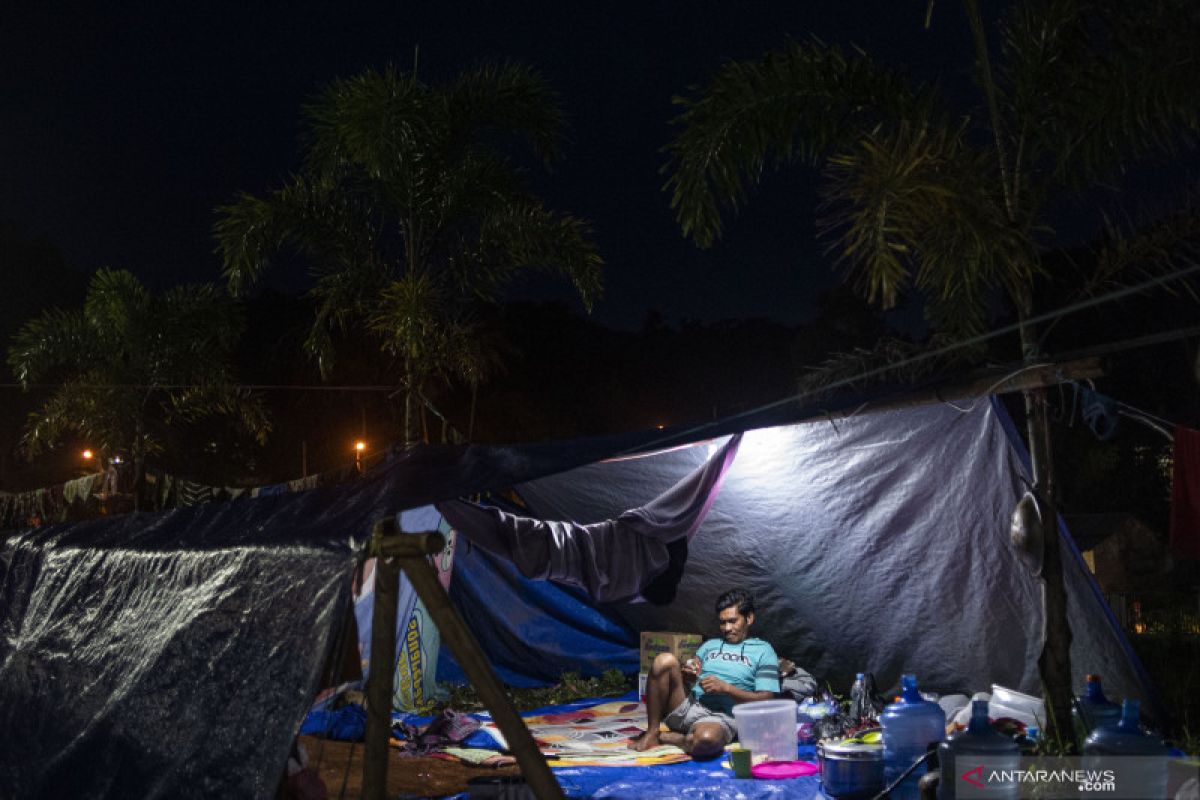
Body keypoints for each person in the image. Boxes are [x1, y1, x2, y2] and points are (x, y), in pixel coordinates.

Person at [629, 588, 780, 759]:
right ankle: (652, 731)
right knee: (664, 660)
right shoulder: (710, 645)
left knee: (705, 741)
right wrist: (689, 675)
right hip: (690, 705)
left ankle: (667, 738)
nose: (727, 628)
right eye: (722, 622)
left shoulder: (763, 651)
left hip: (722, 717)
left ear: (749, 618)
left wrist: (727, 689)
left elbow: (766, 699)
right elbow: (691, 673)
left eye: (732, 621)